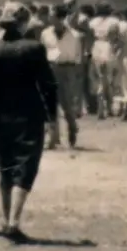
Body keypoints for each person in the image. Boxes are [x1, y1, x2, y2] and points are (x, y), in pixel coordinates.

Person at [0, 3, 59, 243]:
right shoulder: (33, 49)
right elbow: (48, 85)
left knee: (7, 166)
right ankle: (14, 221)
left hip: (0, 113)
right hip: (29, 113)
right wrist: (52, 117)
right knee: (27, 164)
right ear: (23, 23)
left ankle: (4, 218)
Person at [40, 8, 84, 149]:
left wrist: (76, 75)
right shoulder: (45, 33)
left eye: (52, 16)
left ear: (60, 18)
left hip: (68, 69)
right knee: (50, 104)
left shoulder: (75, 35)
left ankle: (72, 128)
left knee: (67, 104)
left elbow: (78, 57)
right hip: (51, 68)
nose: (49, 18)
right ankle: (53, 138)